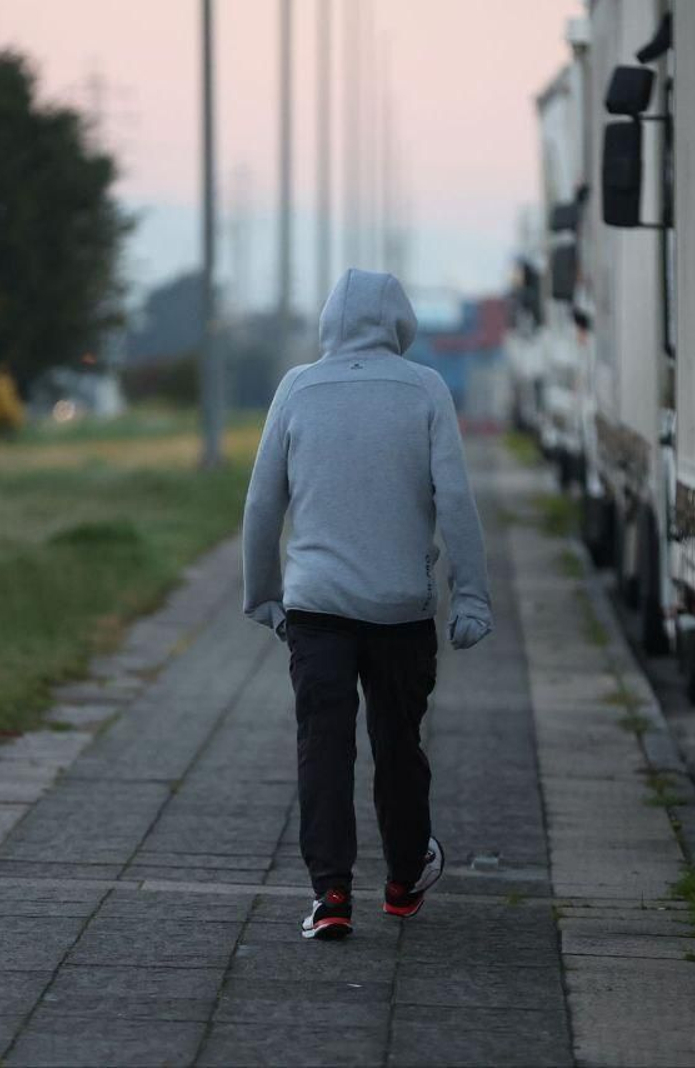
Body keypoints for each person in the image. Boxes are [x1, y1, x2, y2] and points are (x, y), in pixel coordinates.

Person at [241, 268, 492, 941]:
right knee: (397, 743)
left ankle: (330, 894)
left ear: (328, 322)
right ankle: (405, 877)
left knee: (323, 746)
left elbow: (263, 503)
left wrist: (262, 594)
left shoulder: (296, 389)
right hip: (399, 610)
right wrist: (469, 595)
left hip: (316, 607)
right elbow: (457, 501)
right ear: (401, 324)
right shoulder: (426, 389)